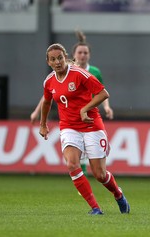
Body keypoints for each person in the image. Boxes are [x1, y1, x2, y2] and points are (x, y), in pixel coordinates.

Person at [39, 43, 130, 215]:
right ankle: (95, 208)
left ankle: (118, 195)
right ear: (48, 62)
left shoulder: (79, 74)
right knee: (72, 164)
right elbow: (46, 101)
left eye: (60, 58)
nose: (57, 62)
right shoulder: (49, 81)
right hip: (69, 127)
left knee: (99, 174)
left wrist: (84, 109)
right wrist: (43, 124)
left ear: (65, 57)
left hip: (91, 124)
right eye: (53, 59)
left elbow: (104, 93)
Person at [31, 30, 114, 175]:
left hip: (89, 119)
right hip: (69, 123)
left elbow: (101, 92)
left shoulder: (93, 72)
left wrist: (106, 107)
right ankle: (83, 184)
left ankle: (113, 190)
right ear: (74, 55)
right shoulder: (56, 76)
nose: (82, 55)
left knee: (100, 174)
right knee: (73, 161)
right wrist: (38, 114)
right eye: (80, 53)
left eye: (85, 53)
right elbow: (49, 96)